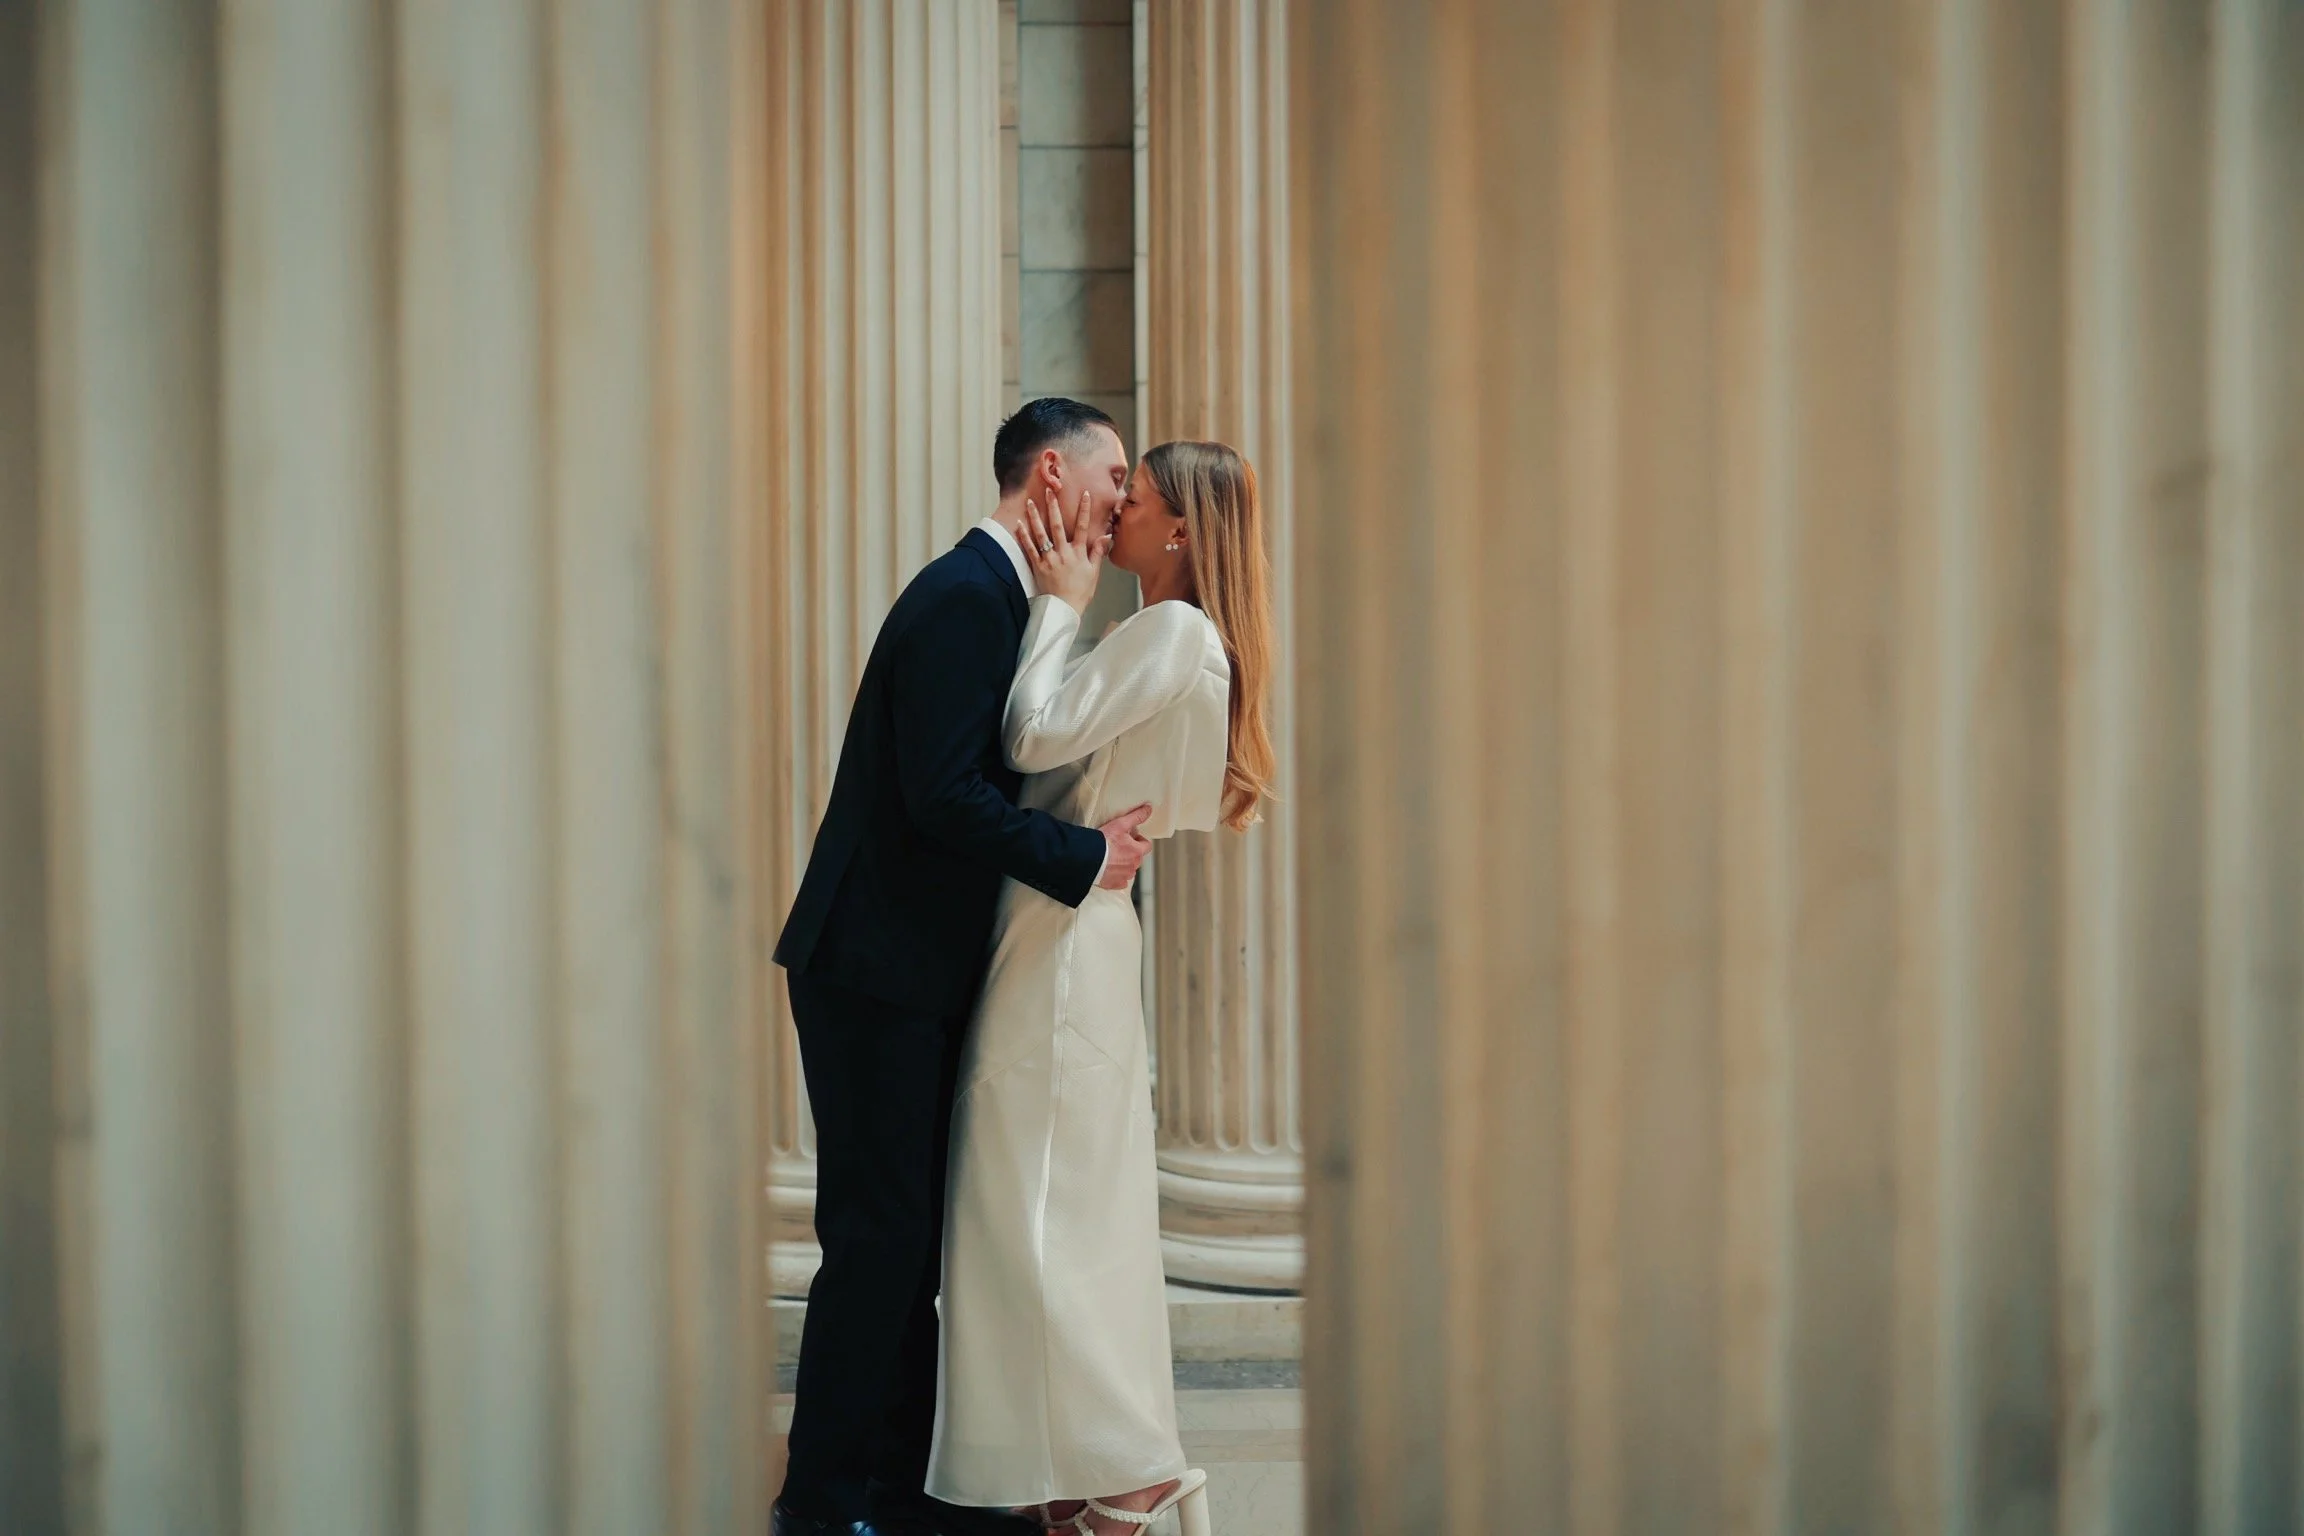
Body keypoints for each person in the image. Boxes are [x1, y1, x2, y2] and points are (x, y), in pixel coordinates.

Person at [771, 399, 1161, 1536]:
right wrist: (1085, 857)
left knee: (905, 1243)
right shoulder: (961, 598)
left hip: (907, 970)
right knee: (878, 1245)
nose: (1121, 502)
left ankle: (903, 1490)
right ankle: (825, 1504)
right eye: (1112, 477)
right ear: (1052, 473)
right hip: (873, 971)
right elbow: (944, 795)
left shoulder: (1006, 598)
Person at [929, 440, 1275, 1536]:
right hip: (1067, 925)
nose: (1114, 506)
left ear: (1177, 531)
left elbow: (1031, 735)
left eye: (1139, 497)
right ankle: (1088, 1465)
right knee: (1057, 1207)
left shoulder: (1169, 630)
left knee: (1037, 1209)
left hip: (1067, 942)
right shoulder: (1163, 634)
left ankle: (1129, 1471)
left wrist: (1056, 603)